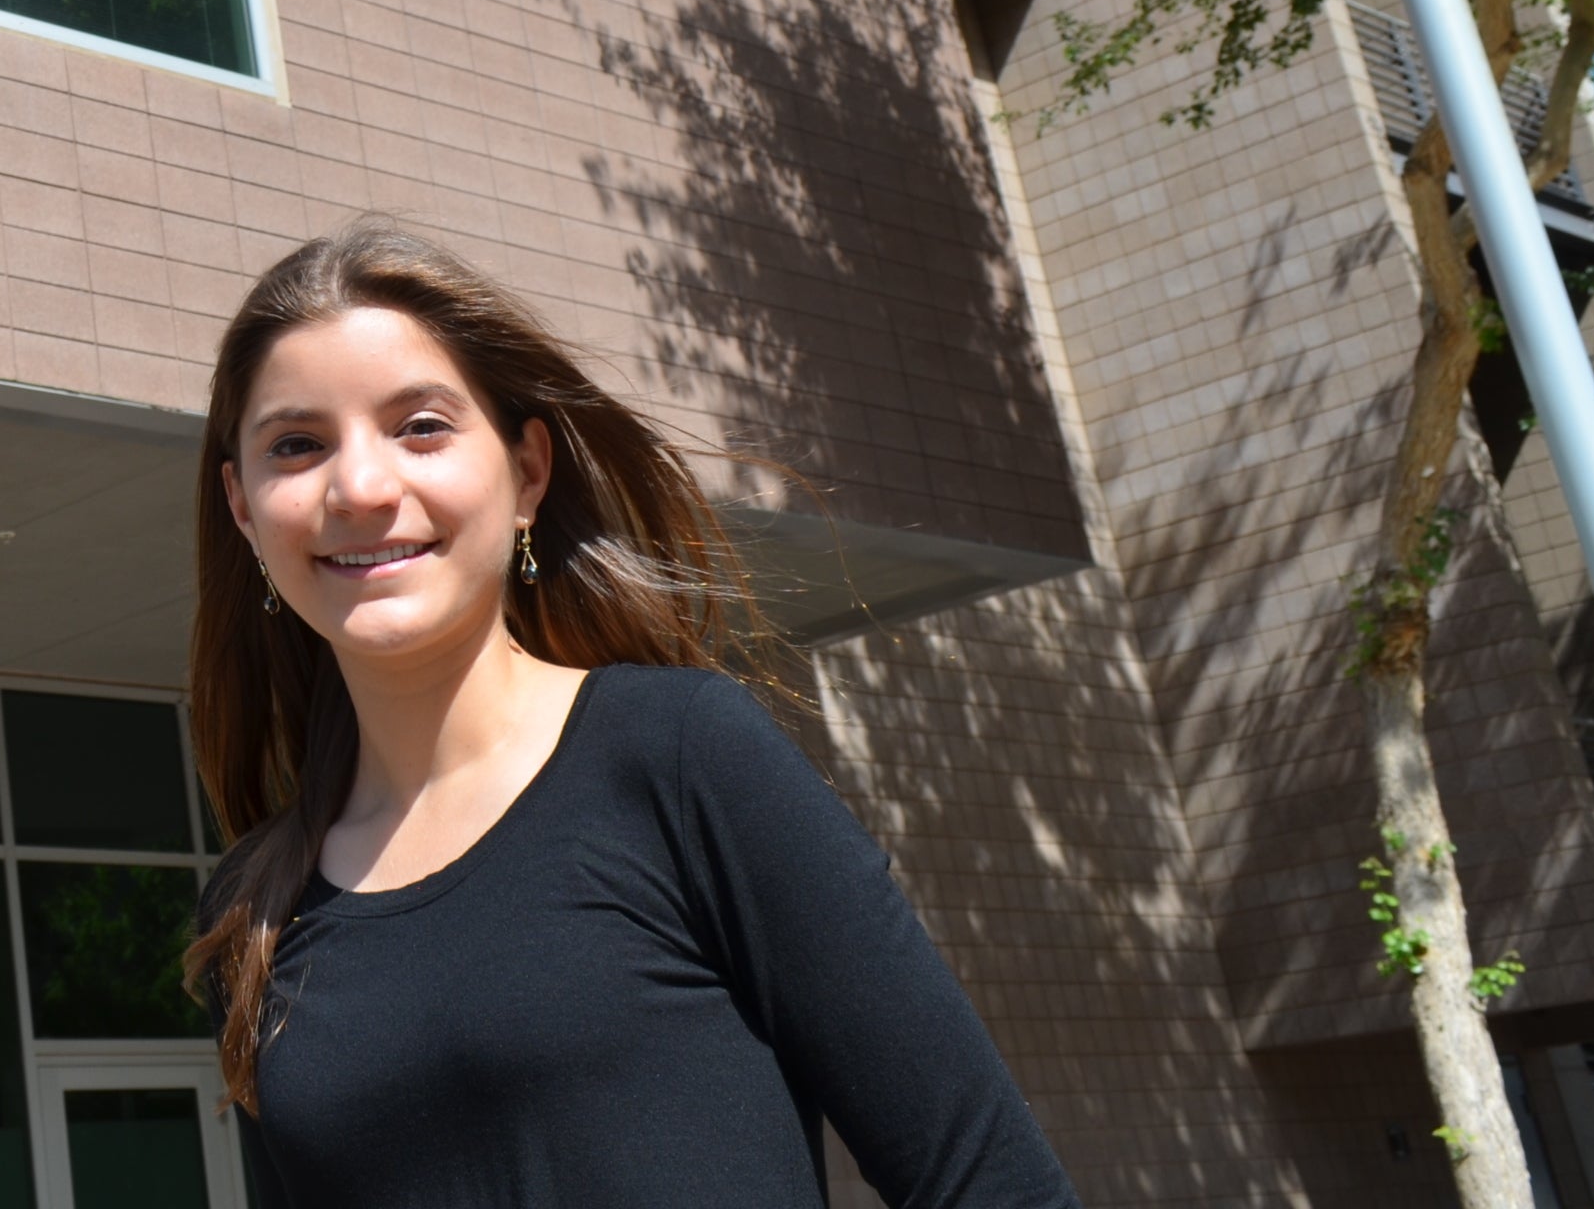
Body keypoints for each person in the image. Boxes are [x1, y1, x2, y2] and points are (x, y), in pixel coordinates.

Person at [186, 220, 1080, 1208]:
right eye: (297, 445)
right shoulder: (252, 905)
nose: (359, 486)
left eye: (421, 426)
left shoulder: (678, 755)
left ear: (528, 473)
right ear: (242, 506)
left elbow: (984, 1178)